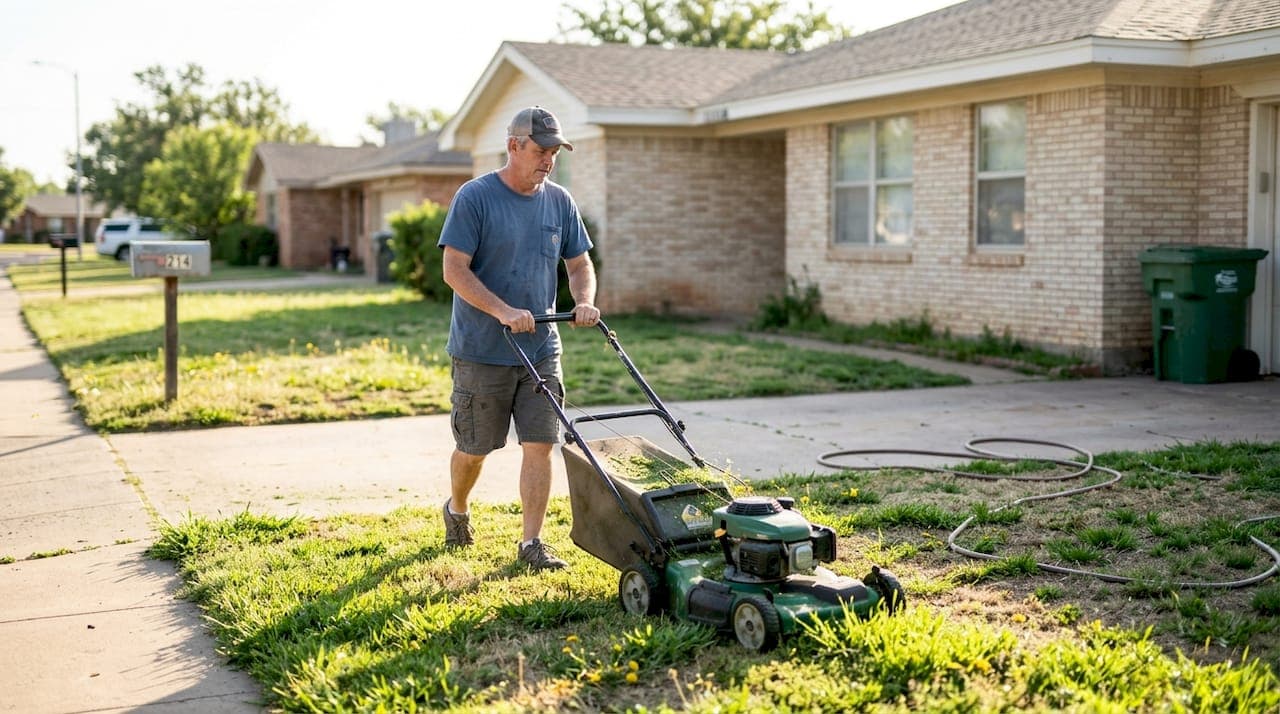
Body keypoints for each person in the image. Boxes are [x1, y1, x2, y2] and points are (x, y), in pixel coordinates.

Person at [436, 106, 600, 571]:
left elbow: (579, 264)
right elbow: (454, 270)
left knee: (540, 443)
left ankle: (532, 544)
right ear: (513, 146)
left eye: (554, 152)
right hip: (482, 350)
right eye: (541, 150)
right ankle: (457, 508)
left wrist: (584, 299)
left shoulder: (560, 201)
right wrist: (504, 311)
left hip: (541, 347)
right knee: (476, 447)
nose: (548, 160)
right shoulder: (476, 197)